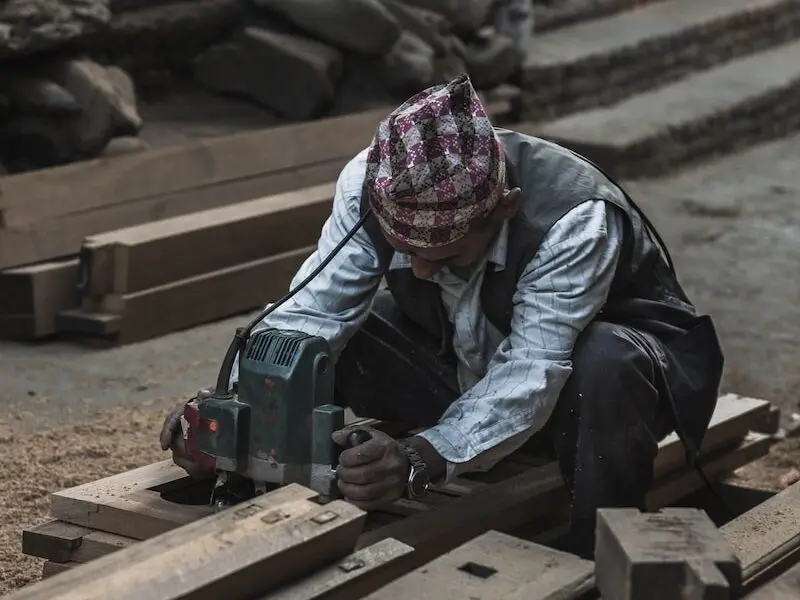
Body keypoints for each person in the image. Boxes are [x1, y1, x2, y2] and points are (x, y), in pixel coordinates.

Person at [160, 74, 724, 558]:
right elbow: (310, 313)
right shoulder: (375, 184)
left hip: (602, 397)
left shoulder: (576, 218)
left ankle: (595, 554)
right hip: (463, 367)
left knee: (607, 356)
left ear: (504, 208)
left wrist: (419, 458)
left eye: (447, 257)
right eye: (409, 255)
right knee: (335, 338)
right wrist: (233, 416)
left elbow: (531, 368)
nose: (423, 275)